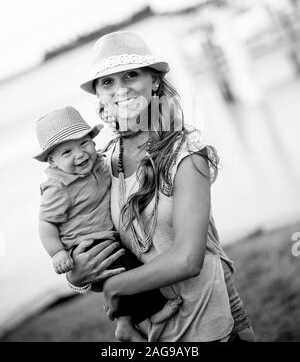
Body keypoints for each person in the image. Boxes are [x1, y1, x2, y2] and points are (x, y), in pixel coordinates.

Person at [68, 31, 255, 342]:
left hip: (211, 325)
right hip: (152, 333)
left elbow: (188, 259)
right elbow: (100, 244)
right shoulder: (103, 163)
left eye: (131, 75)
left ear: (153, 81)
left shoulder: (186, 153)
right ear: (98, 94)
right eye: (107, 82)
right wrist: (79, 276)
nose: (120, 89)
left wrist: (116, 289)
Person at [34, 106, 181, 342]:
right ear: (52, 161)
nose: (80, 154)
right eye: (67, 152)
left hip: (108, 239)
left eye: (84, 144)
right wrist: (57, 253)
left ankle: (126, 325)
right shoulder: (58, 187)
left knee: (130, 271)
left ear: (93, 142)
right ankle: (148, 316)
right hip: (86, 247)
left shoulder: (101, 163)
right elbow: (46, 224)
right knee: (131, 274)